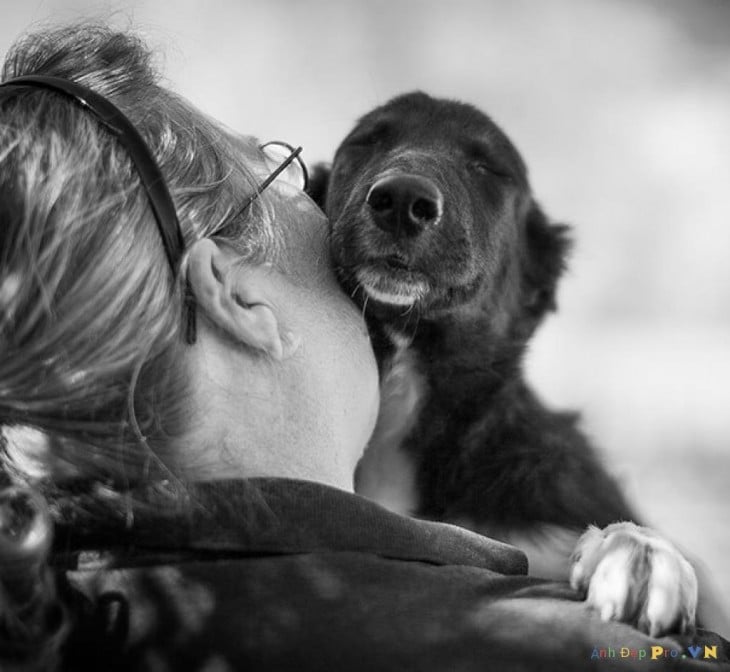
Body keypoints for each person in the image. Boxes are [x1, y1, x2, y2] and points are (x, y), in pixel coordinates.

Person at [0, 23, 727, 672]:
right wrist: (690, 643)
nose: (402, 186)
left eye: (486, 169)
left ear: (537, 281)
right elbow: (681, 655)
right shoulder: (588, 654)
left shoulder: (60, 597)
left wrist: (648, 557)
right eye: (285, 177)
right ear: (234, 291)